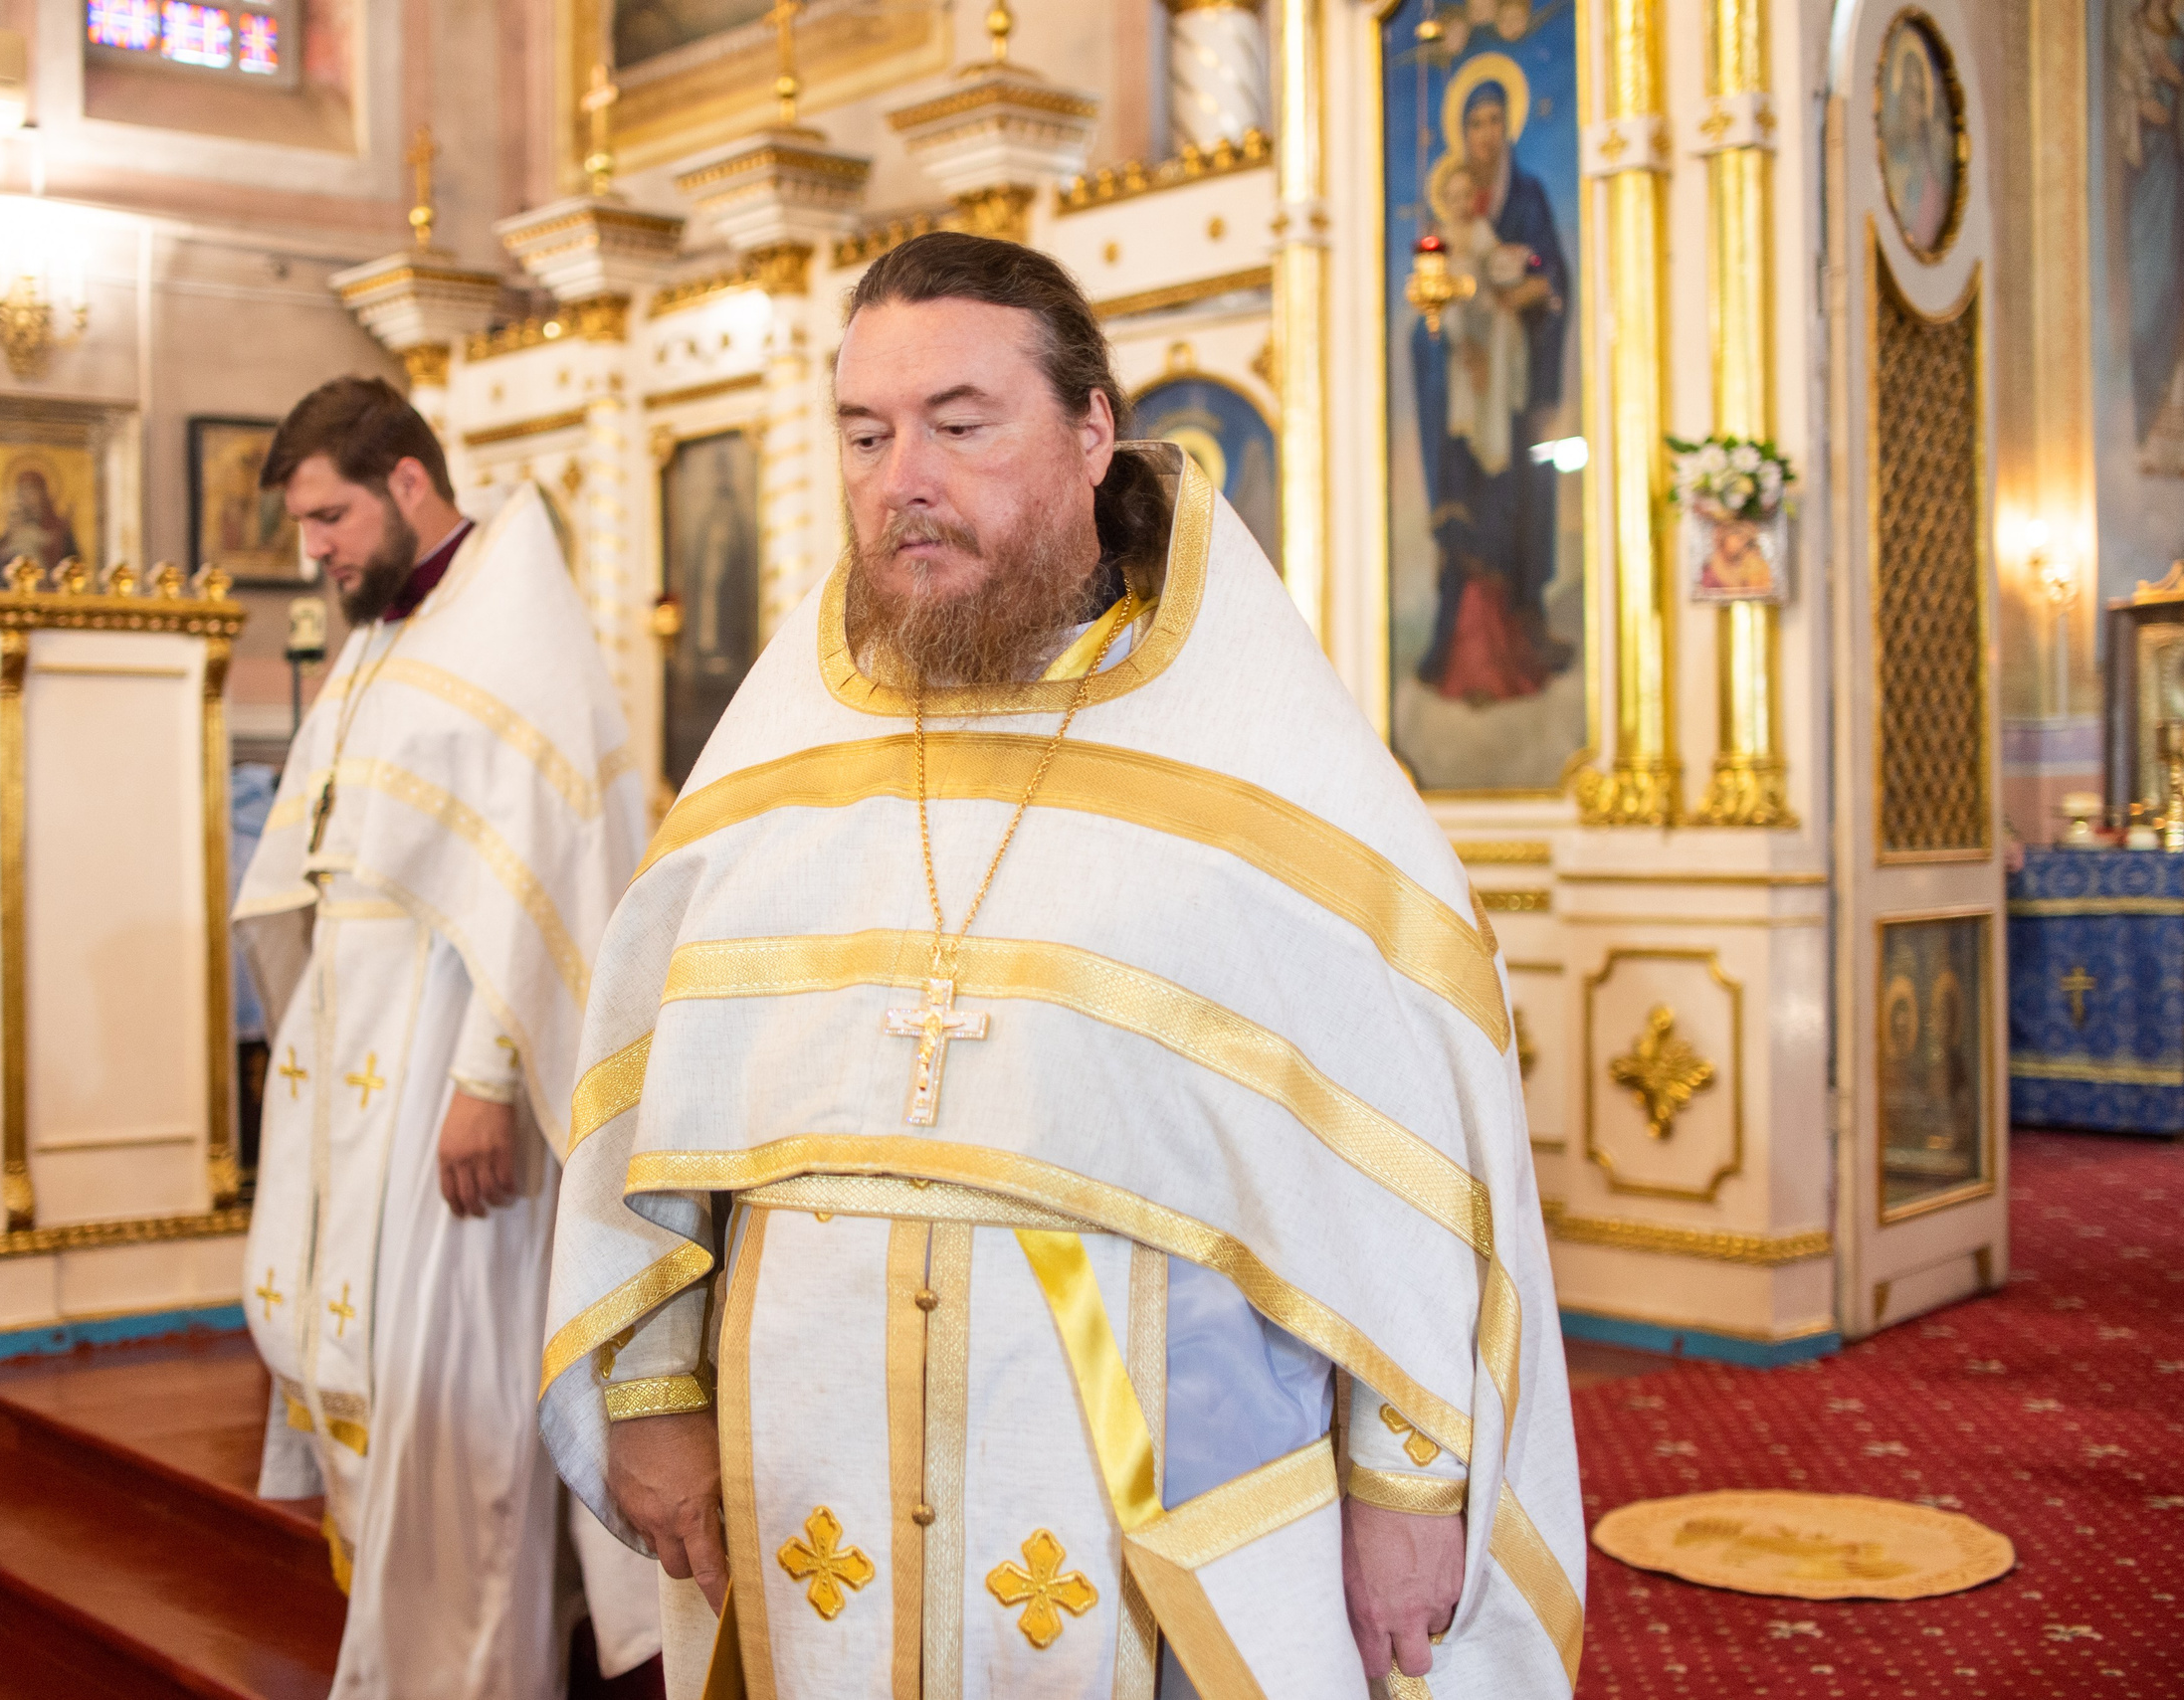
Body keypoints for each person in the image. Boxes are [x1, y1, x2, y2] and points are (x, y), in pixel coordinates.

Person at [541, 234, 1583, 1697]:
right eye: (864, 433)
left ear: (1094, 431)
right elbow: (658, 1117)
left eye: (961, 424)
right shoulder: (782, 755)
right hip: (806, 1457)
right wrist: (651, 1400)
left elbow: (1401, 1166)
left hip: (1143, 1454)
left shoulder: (1258, 753)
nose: (904, 474)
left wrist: (1405, 1488)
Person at [234, 378, 659, 1699]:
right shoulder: (381, 632)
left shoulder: (513, 634)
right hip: (353, 1072)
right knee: (375, 1368)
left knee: (451, 1401)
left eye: (329, 517)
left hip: (453, 1078)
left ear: (408, 483)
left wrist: (487, 1082)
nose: (317, 550)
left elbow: (549, 884)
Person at [1411, 79, 1572, 697]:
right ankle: (1454, 638)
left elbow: (1551, 277)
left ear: (1507, 127)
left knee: (1521, 502)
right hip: (1459, 392)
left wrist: (1519, 297)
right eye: (1474, 122)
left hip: (1516, 385)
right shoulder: (1449, 223)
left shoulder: (1525, 195)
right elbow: (1432, 303)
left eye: (1493, 121)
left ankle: (1525, 630)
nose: (1485, 133)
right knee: (1463, 505)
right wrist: (1456, 337)